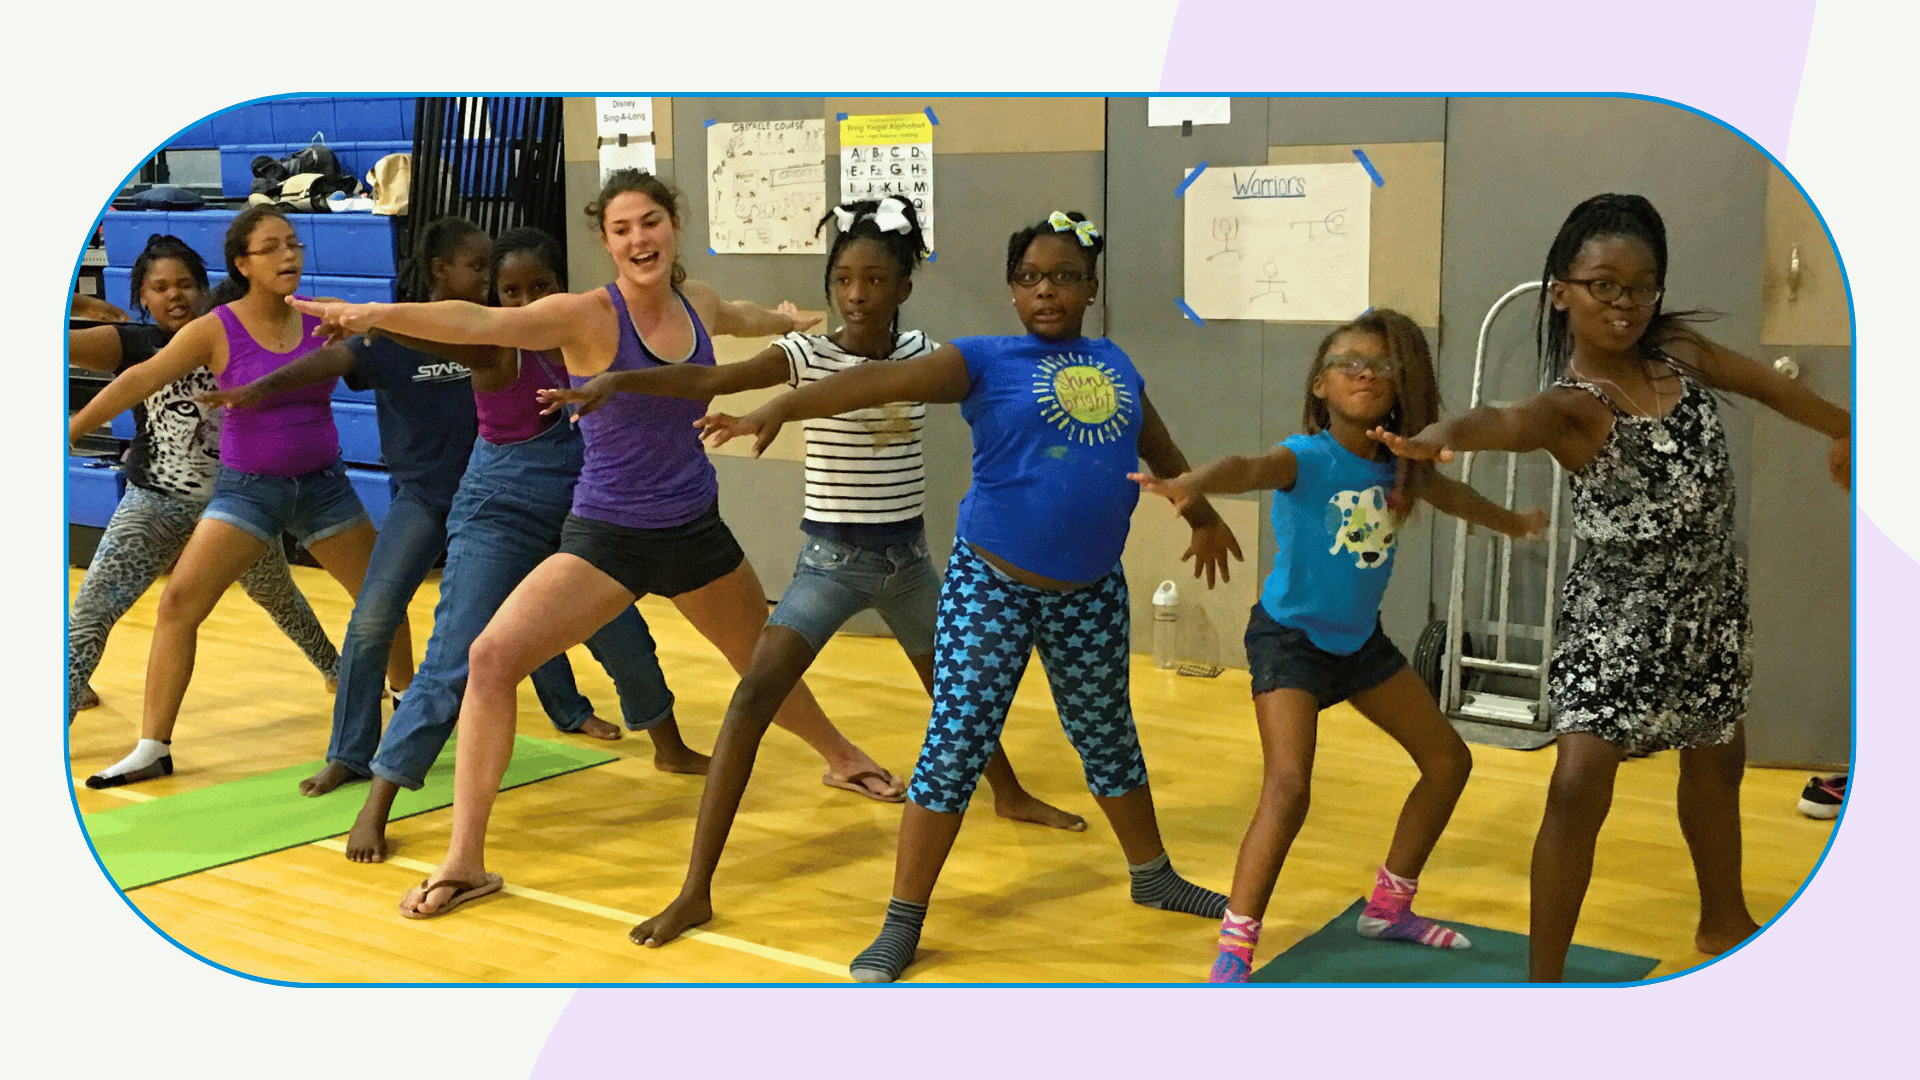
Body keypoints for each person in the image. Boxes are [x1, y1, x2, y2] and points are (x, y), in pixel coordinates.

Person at [287, 169, 905, 918]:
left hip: (693, 528)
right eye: (621, 229)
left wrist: (797, 319)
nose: (638, 238)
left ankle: (841, 758)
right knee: (489, 658)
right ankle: (464, 859)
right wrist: (368, 314)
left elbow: (740, 316)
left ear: (672, 223)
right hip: (607, 536)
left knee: (759, 658)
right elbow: (477, 324)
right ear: (606, 242)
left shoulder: (698, 301)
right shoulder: (584, 315)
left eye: (649, 222)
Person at [700, 210, 1242, 983]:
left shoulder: (1117, 363)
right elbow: (872, 380)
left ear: (1091, 287)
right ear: (1012, 291)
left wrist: (1202, 511)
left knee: (1107, 734)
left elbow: (1159, 452)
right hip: (993, 584)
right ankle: (901, 924)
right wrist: (782, 405)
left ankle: (1152, 874)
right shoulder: (982, 360)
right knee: (955, 747)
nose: (1046, 290)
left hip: (1089, 591)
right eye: (1029, 278)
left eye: (1062, 277)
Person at [544, 198, 1085, 949]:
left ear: (904, 286)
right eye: (842, 279)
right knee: (750, 702)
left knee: (961, 699)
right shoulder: (806, 355)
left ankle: (1012, 793)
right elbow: (712, 378)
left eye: (873, 279)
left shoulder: (928, 352)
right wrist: (620, 383)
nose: (856, 294)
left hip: (908, 565)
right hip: (829, 562)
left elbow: (1003, 388)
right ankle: (695, 888)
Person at [1372, 193, 1851, 981]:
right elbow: (1500, 419)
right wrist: (1438, 436)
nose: (1625, 305)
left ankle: (1723, 918)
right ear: (1561, 288)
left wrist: (1845, 427)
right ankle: (1545, 978)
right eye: (1604, 285)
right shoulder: (1571, 406)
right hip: (1618, 621)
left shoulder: (1682, 355)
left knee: (1716, 761)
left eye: (1642, 285)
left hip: (1706, 610)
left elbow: (1768, 385)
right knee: (1577, 783)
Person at [1132, 309, 1547, 983]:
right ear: (1319, 386)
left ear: (1400, 384)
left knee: (1448, 762)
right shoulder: (1307, 458)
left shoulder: (1403, 470)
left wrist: (1514, 522)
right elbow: (1248, 467)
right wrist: (1195, 482)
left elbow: (1459, 497)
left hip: (1359, 647)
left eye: (1381, 366)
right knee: (1289, 786)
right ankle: (1234, 954)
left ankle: (1390, 905)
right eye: (1347, 363)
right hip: (1290, 642)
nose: (1364, 373)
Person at [328, 225, 705, 864]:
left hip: (579, 507)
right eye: (511, 291)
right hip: (497, 510)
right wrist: (379, 324)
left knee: (624, 633)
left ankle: (668, 744)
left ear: (561, 287)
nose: (527, 302)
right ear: (495, 299)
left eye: (540, 287)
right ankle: (378, 803)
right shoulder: (498, 347)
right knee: (457, 655)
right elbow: (449, 328)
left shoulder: (590, 331)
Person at [67, 206, 407, 788]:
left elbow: (391, 361)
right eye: (272, 247)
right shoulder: (216, 326)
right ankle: (153, 747)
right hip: (247, 492)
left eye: (294, 244)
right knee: (179, 604)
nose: (290, 256)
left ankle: (405, 703)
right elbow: (137, 379)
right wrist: (75, 427)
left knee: (381, 595)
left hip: (324, 487)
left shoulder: (325, 317)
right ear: (243, 264)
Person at [198, 216, 494, 795]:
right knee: (371, 620)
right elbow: (331, 361)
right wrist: (256, 390)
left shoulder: (496, 330)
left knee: (527, 615)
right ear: (439, 270)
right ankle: (351, 752)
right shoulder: (391, 334)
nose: (484, 278)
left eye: (489, 268)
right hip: (422, 500)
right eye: (475, 266)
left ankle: (575, 710)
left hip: (490, 500)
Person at [67, 234, 337, 725]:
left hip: (236, 504)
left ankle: (335, 668)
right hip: (154, 503)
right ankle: (63, 695)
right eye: (160, 287)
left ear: (206, 287)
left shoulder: (234, 332)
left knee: (278, 595)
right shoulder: (131, 344)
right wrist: (79, 301)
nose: (175, 296)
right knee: (93, 607)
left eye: (187, 284)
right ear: (141, 298)